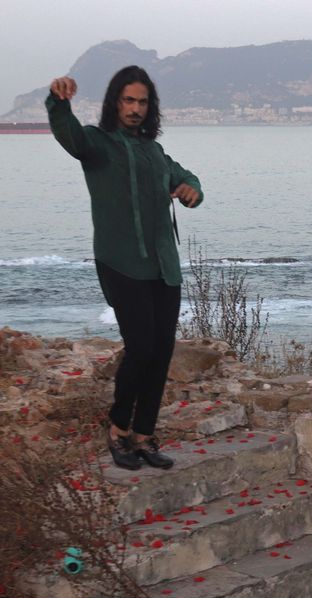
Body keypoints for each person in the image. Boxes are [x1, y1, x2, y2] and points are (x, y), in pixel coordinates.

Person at [46, 66, 203, 470]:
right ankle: (118, 429)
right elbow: (69, 136)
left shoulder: (154, 151)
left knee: (162, 351)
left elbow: (186, 178)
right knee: (141, 349)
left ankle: (145, 435)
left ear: (151, 108)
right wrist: (58, 101)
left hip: (163, 266)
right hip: (120, 262)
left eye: (142, 102)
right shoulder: (97, 144)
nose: (135, 109)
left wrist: (190, 190)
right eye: (128, 100)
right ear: (115, 102)